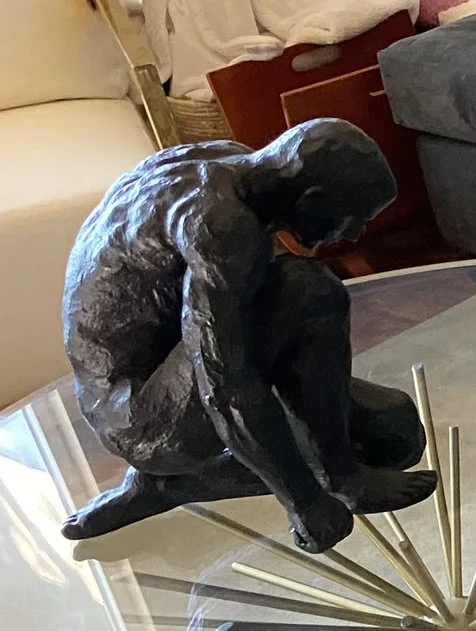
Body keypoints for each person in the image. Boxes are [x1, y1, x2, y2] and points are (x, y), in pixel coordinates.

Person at [59, 119, 436, 552]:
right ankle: (327, 475)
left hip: (162, 366)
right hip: (137, 412)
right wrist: (305, 502)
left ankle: (328, 467)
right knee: (309, 289)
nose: (353, 235)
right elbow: (225, 385)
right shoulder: (222, 226)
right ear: (311, 198)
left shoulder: (229, 162)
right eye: (355, 219)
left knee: (395, 432)